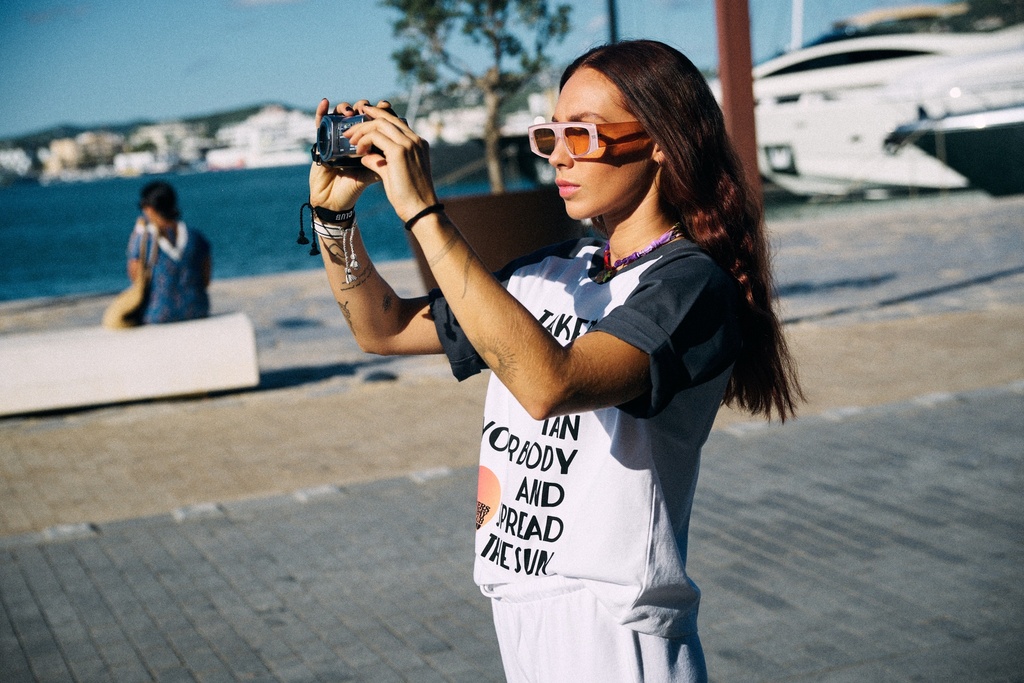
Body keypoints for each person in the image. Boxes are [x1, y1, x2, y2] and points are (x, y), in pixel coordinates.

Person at [307, 39, 801, 683]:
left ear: (662, 141)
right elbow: (385, 328)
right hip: (519, 604)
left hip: (613, 624)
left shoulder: (687, 284)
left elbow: (550, 383)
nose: (561, 155)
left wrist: (423, 210)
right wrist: (332, 218)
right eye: (552, 134)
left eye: (586, 135)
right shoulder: (552, 272)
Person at [126, 180, 212, 324]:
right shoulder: (196, 237)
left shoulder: (143, 240)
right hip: (197, 308)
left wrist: (135, 238)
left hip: (157, 313)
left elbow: (135, 277)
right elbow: (206, 279)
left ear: (150, 208)